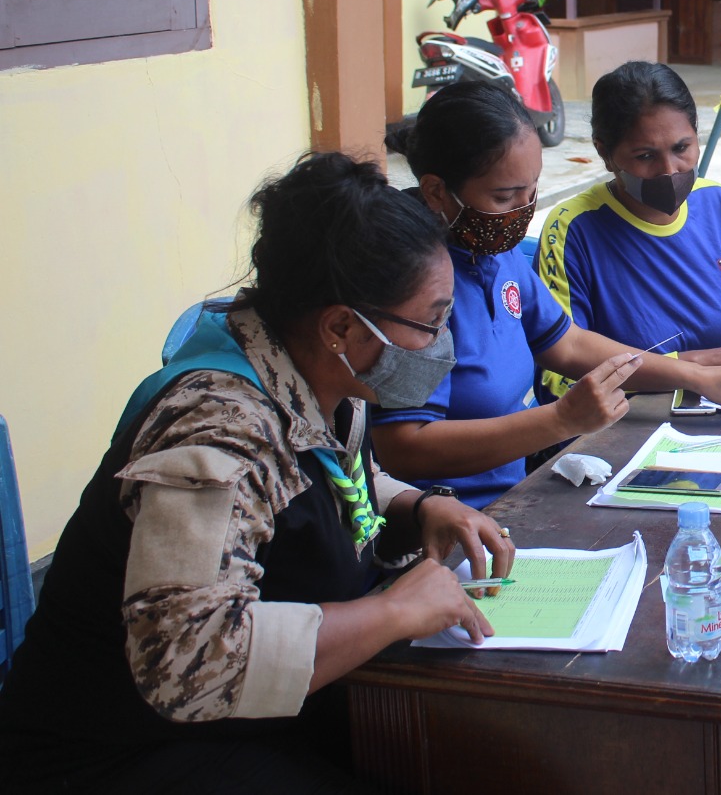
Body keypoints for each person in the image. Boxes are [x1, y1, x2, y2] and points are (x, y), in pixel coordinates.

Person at [0, 153, 514, 793]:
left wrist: (417, 508)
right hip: (121, 755)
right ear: (341, 326)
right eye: (431, 321)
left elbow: (315, 482)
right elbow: (191, 660)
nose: (443, 342)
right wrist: (393, 612)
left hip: (256, 724)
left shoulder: (318, 377)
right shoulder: (217, 429)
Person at [375, 81, 721, 510]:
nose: (523, 210)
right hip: (442, 516)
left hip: (514, 500)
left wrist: (693, 375)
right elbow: (403, 447)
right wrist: (560, 420)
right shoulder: (415, 282)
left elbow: (567, 343)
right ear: (436, 191)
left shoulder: (497, 253)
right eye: (504, 196)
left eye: (531, 190)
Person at [538, 61, 721, 386]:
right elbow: (558, 383)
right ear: (605, 152)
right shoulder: (573, 230)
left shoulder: (716, 206)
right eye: (645, 156)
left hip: (713, 407)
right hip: (627, 415)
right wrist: (697, 367)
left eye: (681, 148)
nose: (669, 170)